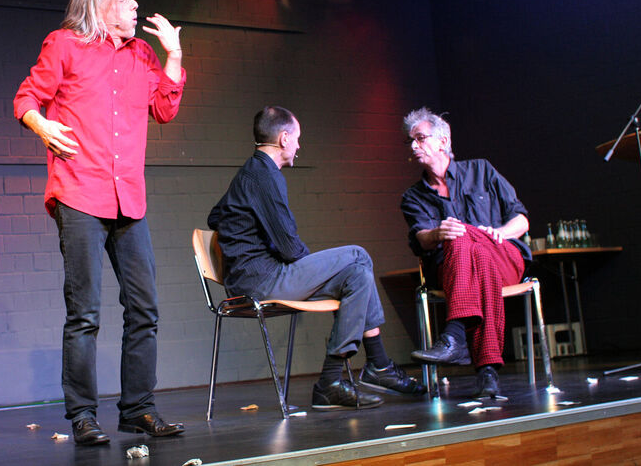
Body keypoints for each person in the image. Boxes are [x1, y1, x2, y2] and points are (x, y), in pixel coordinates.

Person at [13, 0, 186, 445]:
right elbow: (27, 97)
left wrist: (173, 55)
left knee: (144, 308)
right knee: (85, 312)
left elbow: (164, 109)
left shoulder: (142, 54)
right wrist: (41, 125)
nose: (134, 4)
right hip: (80, 193)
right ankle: (83, 415)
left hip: (128, 196)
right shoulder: (64, 45)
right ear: (99, 6)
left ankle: (138, 410)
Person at [208, 106, 426, 411]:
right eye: (297, 138)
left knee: (357, 275)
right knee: (358, 256)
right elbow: (290, 249)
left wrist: (251, 234)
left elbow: (215, 216)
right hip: (260, 282)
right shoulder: (264, 177)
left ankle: (332, 382)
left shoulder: (251, 171)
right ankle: (378, 366)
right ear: (284, 138)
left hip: (258, 276)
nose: (299, 146)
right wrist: (313, 270)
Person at [400, 107, 531, 398]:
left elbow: (521, 220)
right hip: (454, 272)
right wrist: (438, 233)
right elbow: (421, 239)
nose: (413, 146)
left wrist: (499, 233)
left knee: (467, 238)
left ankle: (455, 335)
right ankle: (487, 372)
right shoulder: (413, 197)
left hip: (504, 257)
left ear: (443, 141)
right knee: (470, 250)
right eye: (410, 140)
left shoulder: (482, 170)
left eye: (420, 138)